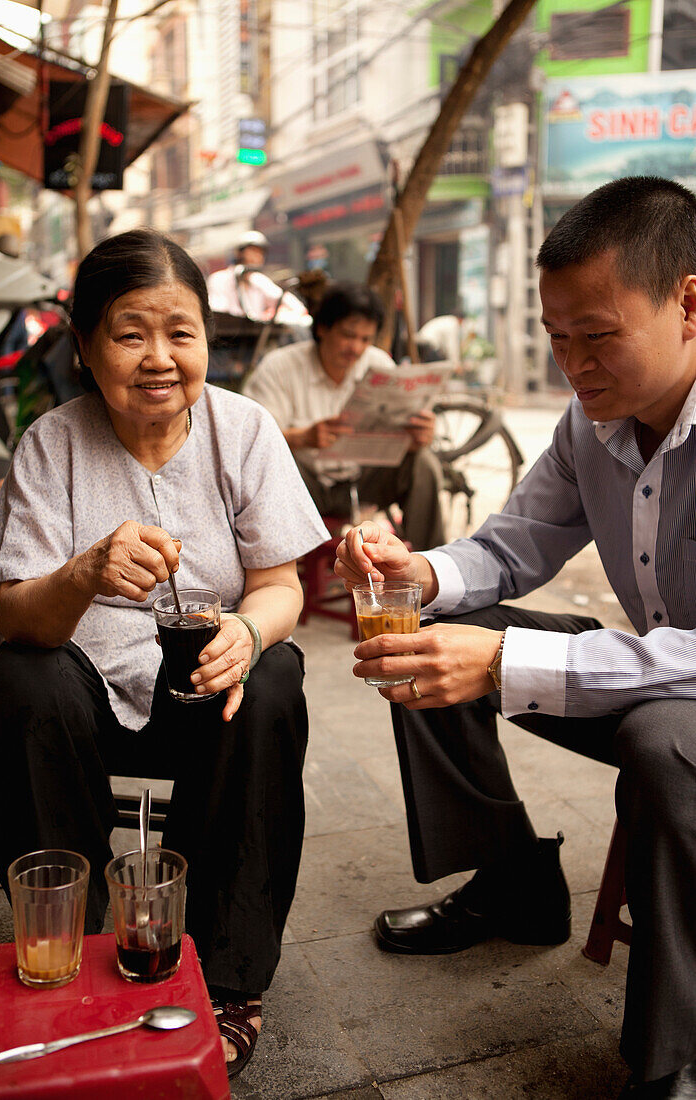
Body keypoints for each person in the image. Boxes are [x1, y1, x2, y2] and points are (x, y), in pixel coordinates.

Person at [334, 176, 696, 1099]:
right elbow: (515, 544)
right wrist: (412, 573)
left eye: (598, 335)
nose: (573, 364)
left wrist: (506, 660)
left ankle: (672, 1061)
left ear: (689, 302)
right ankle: (512, 882)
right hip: (662, 683)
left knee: (664, 740)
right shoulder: (592, 422)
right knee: (425, 634)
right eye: (556, 337)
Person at [0, 228, 329, 1079]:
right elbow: (16, 617)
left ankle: (232, 975)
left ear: (206, 337)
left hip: (201, 700)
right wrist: (88, 570)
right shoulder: (50, 443)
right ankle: (71, 945)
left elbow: (282, 587)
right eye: (130, 334)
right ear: (87, 348)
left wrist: (246, 628)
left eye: (182, 332)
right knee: (22, 681)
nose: (160, 358)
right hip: (82, 702)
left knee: (274, 672)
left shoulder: (243, 431)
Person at [243, 281, 446, 552]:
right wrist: (301, 437)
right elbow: (249, 442)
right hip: (302, 486)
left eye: (365, 339)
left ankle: (429, 567)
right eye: (348, 335)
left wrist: (417, 437)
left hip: (362, 480)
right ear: (323, 329)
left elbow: (398, 436)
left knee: (424, 464)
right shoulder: (279, 368)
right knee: (273, 462)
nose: (356, 348)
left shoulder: (378, 365)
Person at [206, 230, 309, 325]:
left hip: (257, 337)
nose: (257, 256)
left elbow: (292, 304)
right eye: (253, 251)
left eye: (261, 252)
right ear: (239, 253)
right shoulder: (219, 279)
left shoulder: (258, 280)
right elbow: (217, 313)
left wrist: (277, 313)